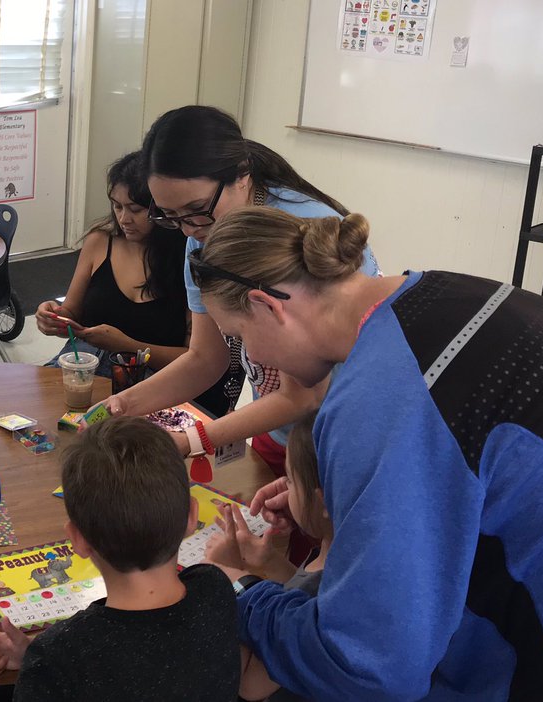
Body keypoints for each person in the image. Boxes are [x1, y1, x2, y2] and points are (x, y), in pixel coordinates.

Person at [193, 207, 543, 700]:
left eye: (242, 338)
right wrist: (358, 492)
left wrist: (239, 594)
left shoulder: (383, 396)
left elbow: (368, 668)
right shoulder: (447, 293)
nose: (255, 359)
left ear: (268, 306)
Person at [100, 105, 380, 474]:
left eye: (196, 209)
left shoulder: (300, 232)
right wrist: (122, 405)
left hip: (342, 447)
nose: (186, 229)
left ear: (241, 177)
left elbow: (305, 394)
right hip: (277, 428)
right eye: (169, 215)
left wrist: (191, 440)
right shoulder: (202, 232)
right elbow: (206, 358)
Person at [0, 416, 240, 701]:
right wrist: (36, 658)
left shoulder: (60, 656)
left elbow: (99, 665)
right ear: (192, 516)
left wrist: (38, 661)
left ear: (77, 540)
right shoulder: (215, 588)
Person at [203, 412, 330, 702]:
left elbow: (248, 685)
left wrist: (230, 578)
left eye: (291, 483)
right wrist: (270, 564)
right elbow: (299, 598)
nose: (283, 490)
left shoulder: (330, 584)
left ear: (321, 500)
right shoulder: (334, 554)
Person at [34, 154, 190, 381]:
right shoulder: (99, 242)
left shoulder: (187, 258)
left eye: (135, 209)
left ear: (162, 210)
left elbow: (195, 358)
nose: (124, 218)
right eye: (117, 206)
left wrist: (128, 346)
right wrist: (53, 317)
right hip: (82, 367)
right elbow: (71, 313)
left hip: (148, 381)